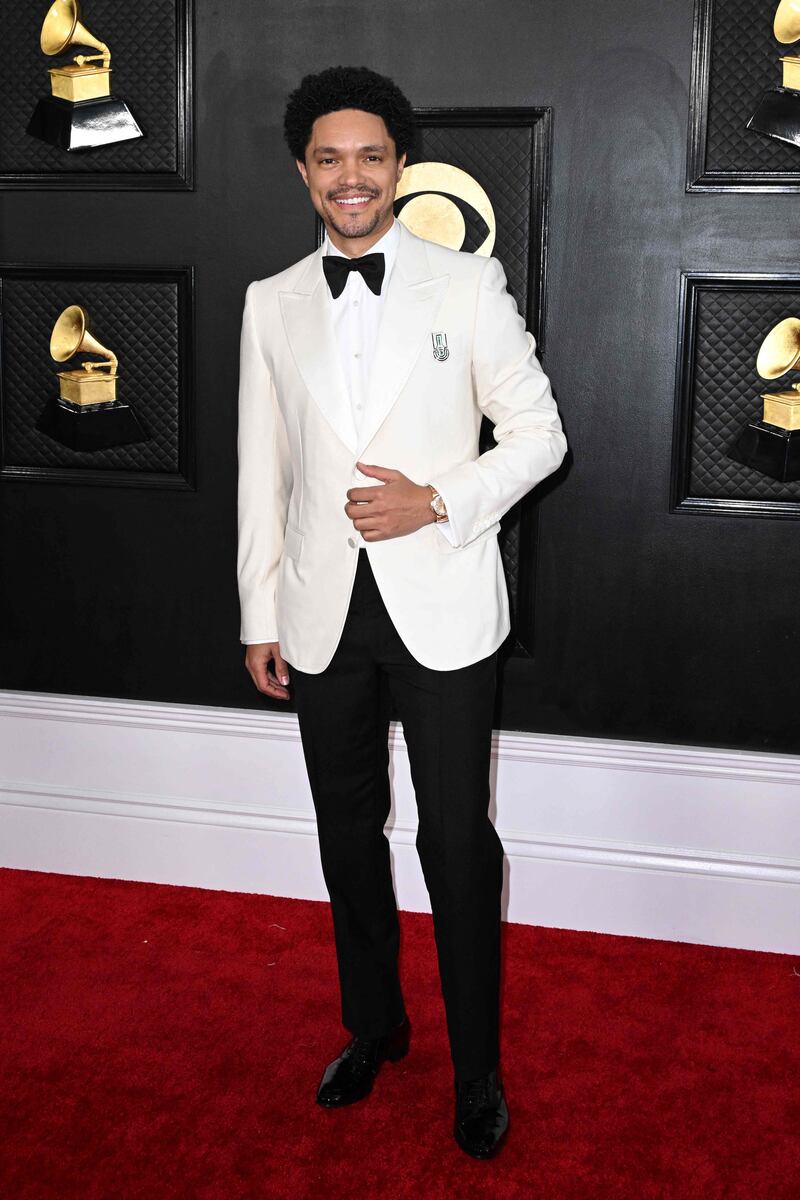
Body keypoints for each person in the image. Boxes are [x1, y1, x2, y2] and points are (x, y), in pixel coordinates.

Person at [236, 65, 567, 1159]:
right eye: (327, 158)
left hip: (442, 606)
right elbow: (262, 470)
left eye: (368, 156)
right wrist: (257, 611)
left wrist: (439, 499)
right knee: (344, 835)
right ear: (303, 172)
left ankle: (476, 1070)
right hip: (319, 610)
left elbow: (536, 436)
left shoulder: (464, 286)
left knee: (453, 841)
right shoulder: (270, 301)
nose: (349, 177)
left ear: (398, 165)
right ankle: (372, 1029)